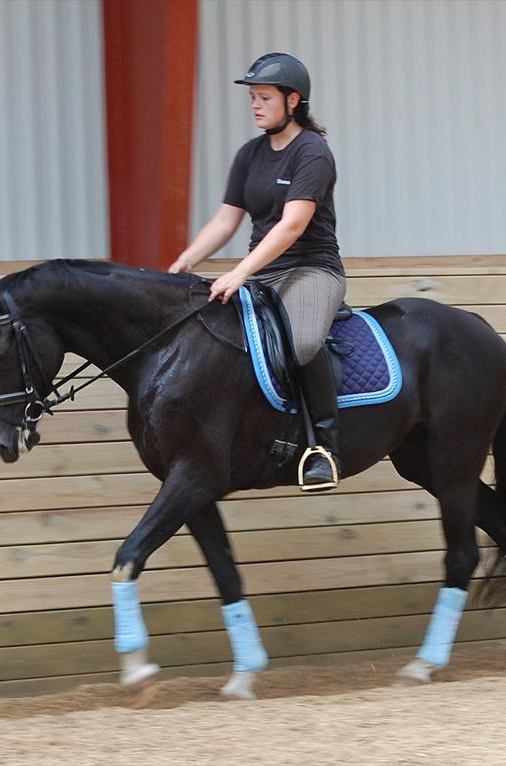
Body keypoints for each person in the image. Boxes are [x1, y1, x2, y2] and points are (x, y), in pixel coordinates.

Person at [169, 52, 344, 491]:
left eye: (264, 97)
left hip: (311, 269)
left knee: (303, 342)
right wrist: (186, 261)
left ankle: (323, 446)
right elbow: (226, 220)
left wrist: (240, 272)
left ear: (293, 100)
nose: (255, 105)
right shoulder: (250, 154)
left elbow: (292, 225)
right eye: (252, 97)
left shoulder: (313, 153)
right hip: (262, 272)